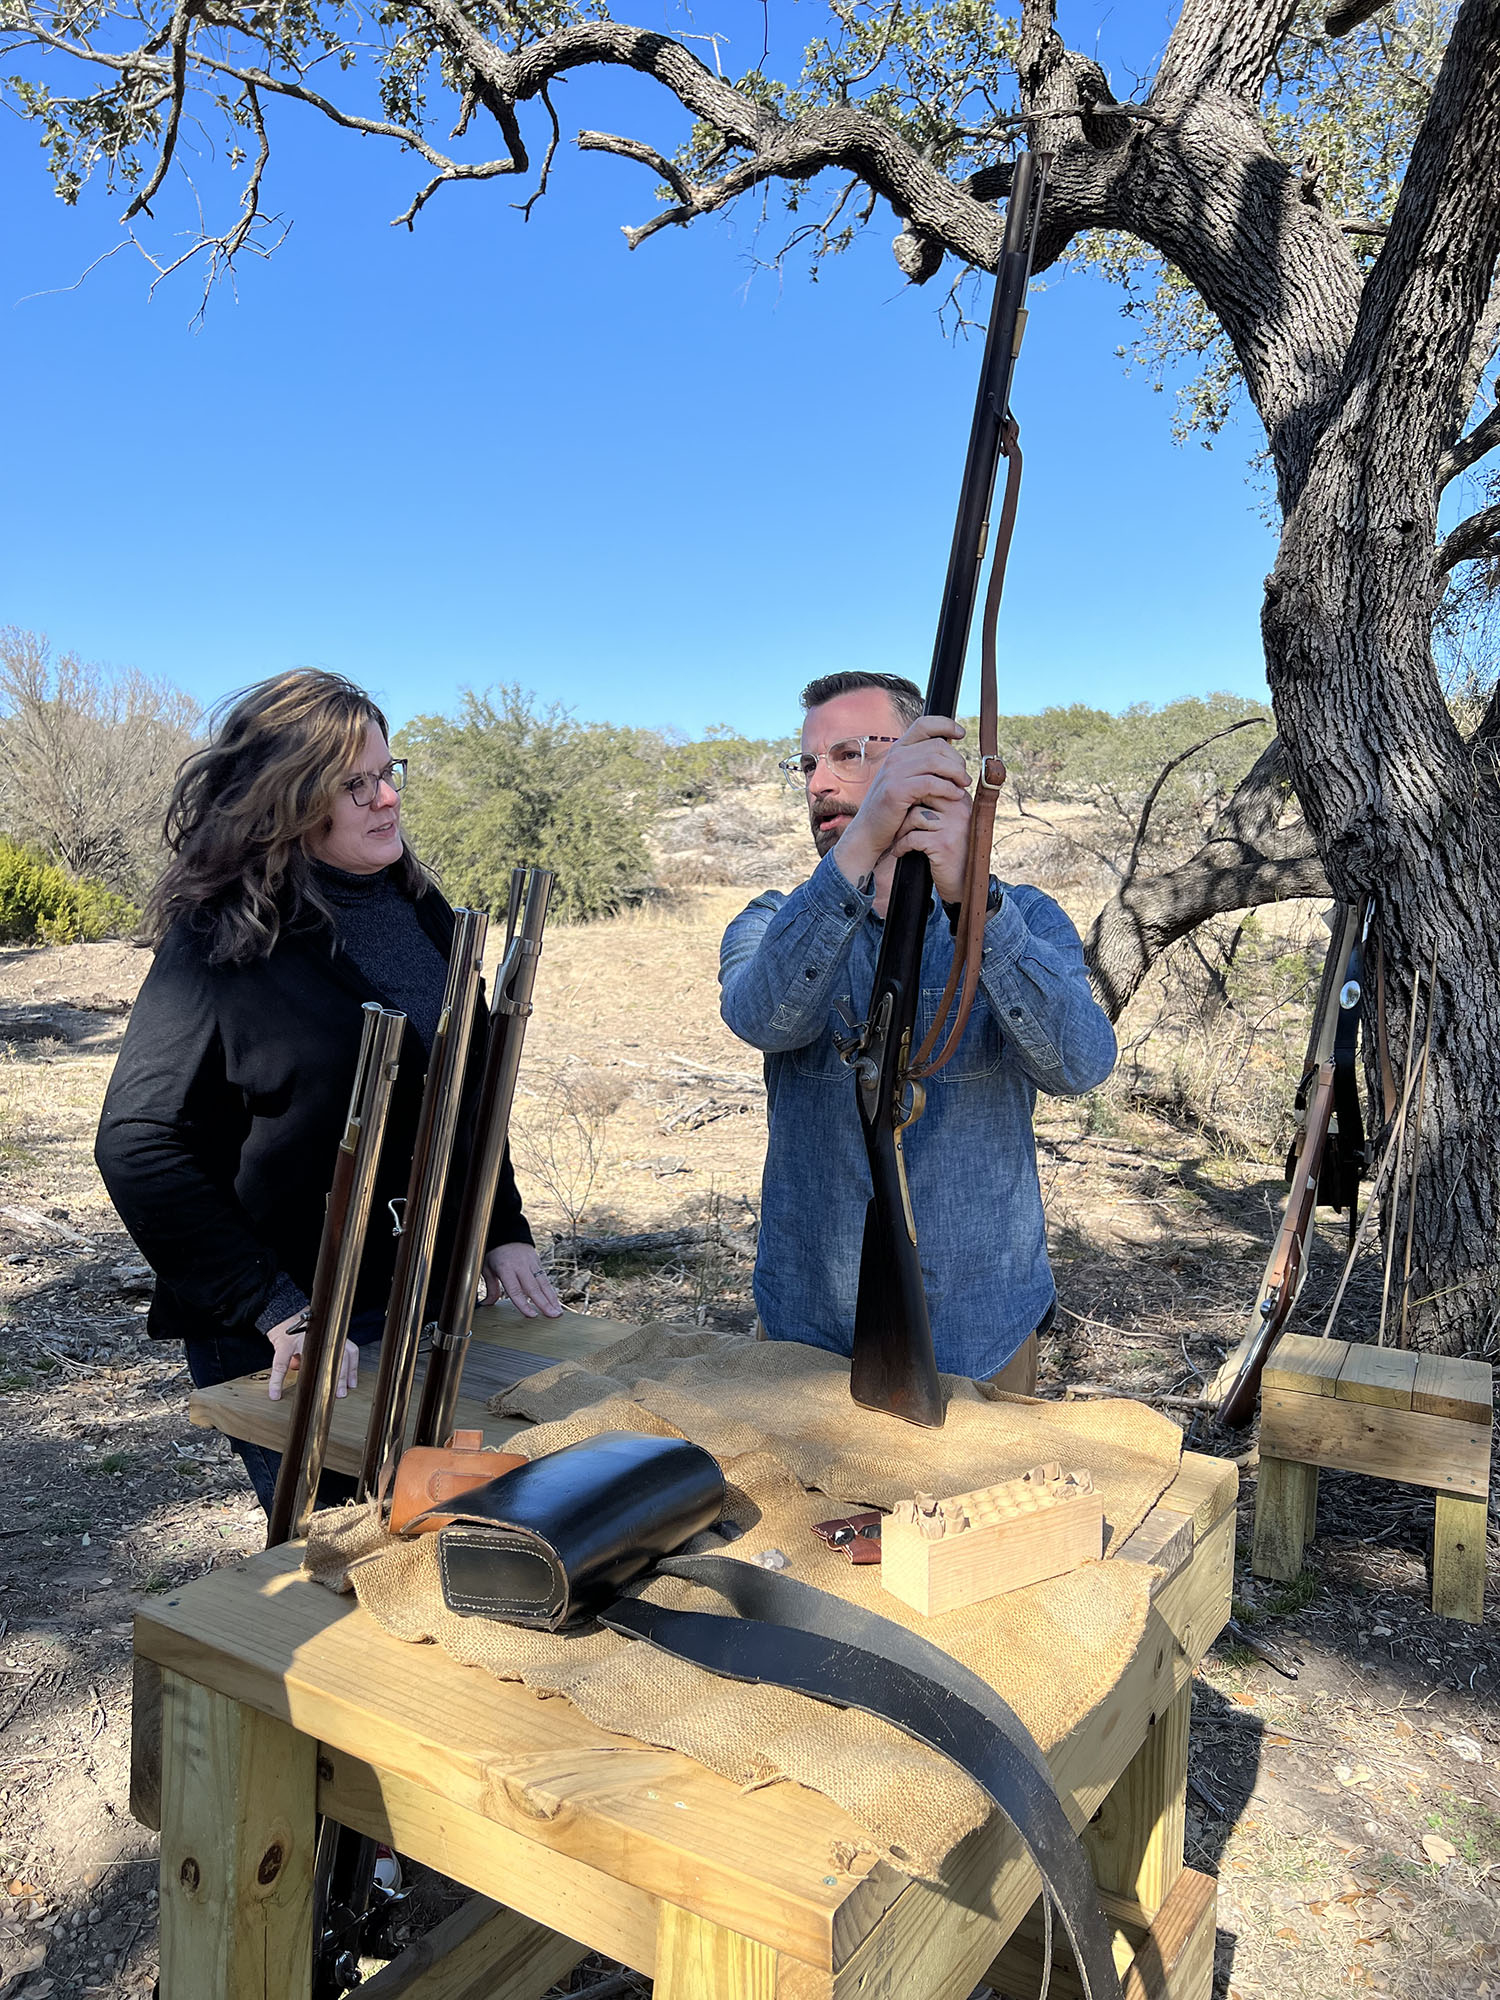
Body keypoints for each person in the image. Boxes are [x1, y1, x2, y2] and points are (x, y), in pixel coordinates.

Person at [95, 669, 561, 1510]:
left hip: (422, 1298)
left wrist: (500, 1226)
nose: (387, 799)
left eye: (390, 774)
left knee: (446, 1537)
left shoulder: (419, 908)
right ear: (287, 797)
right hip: (295, 1327)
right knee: (344, 1563)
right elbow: (138, 1140)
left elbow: (457, 1089)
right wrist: (276, 1305)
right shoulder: (221, 938)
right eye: (356, 785)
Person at [719, 670, 1116, 1392]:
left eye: (850, 754)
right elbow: (761, 1016)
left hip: (978, 1329)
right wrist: (862, 845)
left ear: (925, 765)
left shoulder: (1023, 914)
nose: (819, 782)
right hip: (805, 1332)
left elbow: (1081, 1064)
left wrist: (979, 907)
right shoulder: (770, 919)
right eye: (807, 763)